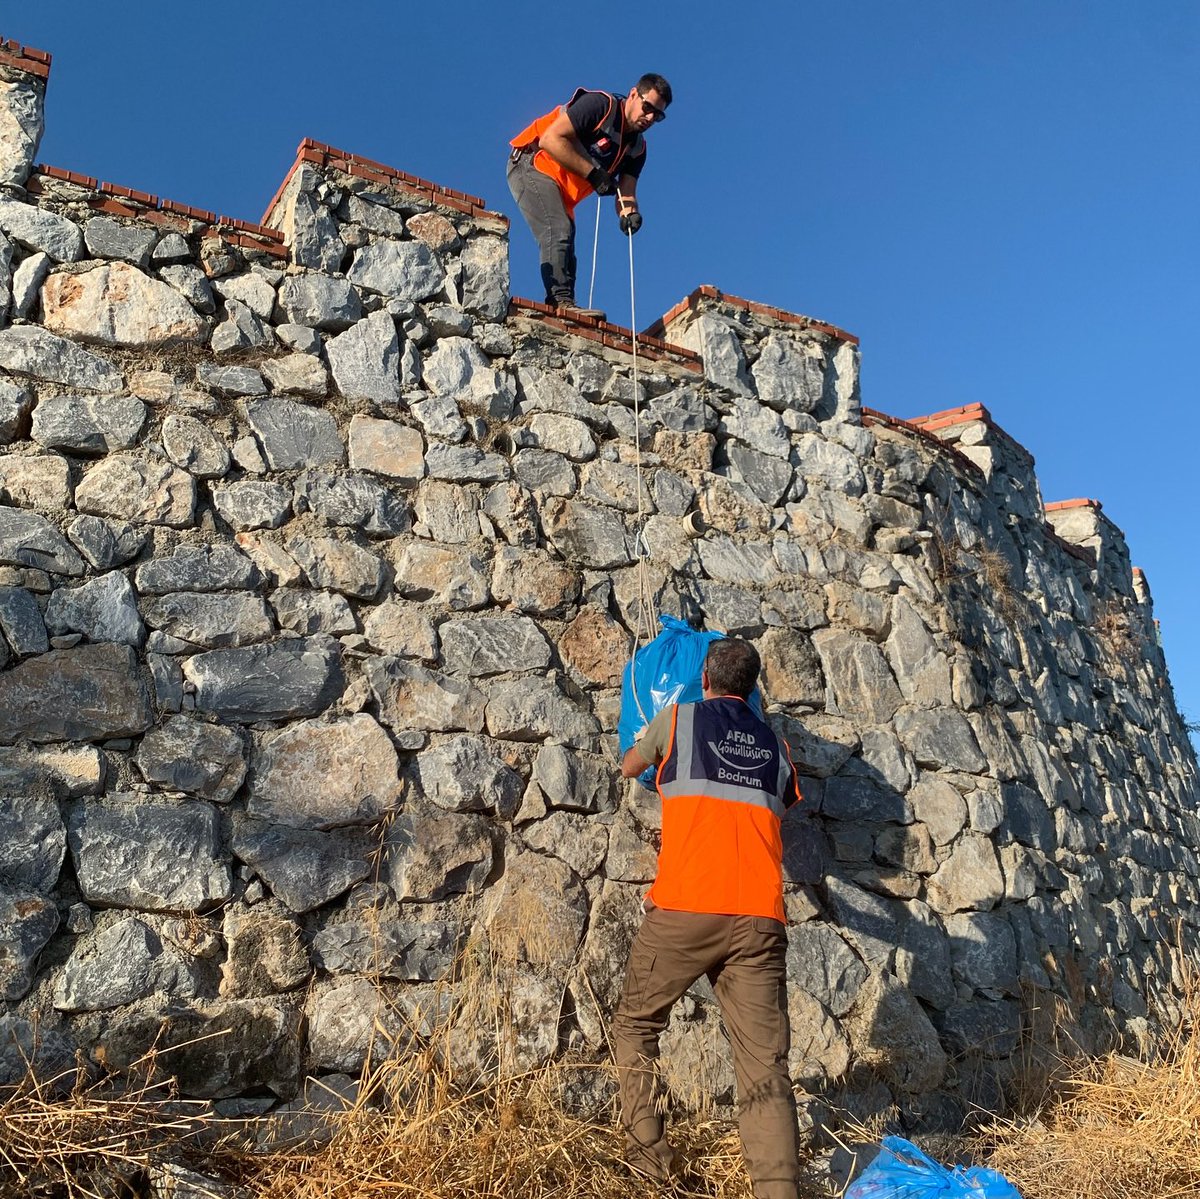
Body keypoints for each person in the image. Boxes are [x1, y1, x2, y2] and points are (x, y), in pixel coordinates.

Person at [613, 637, 803, 1199]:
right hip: (761, 919)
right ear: (752, 689)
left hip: (688, 907)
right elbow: (784, 799)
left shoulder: (678, 720)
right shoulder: (777, 747)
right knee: (765, 1065)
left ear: (704, 678)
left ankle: (652, 1169)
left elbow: (631, 766)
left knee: (636, 1024)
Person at [507, 74, 672, 320]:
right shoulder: (600, 106)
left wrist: (630, 213)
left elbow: (626, 192)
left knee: (567, 248)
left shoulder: (637, 149)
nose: (650, 118)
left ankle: (563, 311)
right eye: (647, 108)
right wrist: (593, 174)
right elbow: (550, 139)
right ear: (634, 94)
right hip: (532, 163)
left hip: (561, 187)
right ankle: (562, 304)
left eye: (657, 115)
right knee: (558, 230)